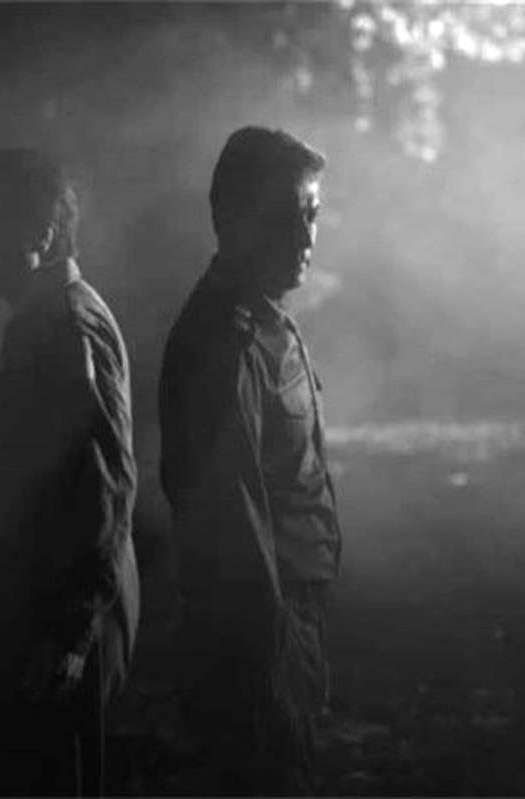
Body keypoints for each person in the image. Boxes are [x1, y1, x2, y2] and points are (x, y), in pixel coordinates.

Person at [158, 126, 342, 795]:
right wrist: (273, 667)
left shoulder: (264, 321)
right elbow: (231, 522)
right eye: (286, 216)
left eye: (312, 214)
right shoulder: (225, 344)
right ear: (232, 220)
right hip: (259, 641)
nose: (305, 236)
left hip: (282, 627)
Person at [0, 148, 139, 796]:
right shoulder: (44, 319)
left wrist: (68, 633)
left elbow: (104, 486)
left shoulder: (63, 325)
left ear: (41, 230)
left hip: (60, 630)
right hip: (50, 620)